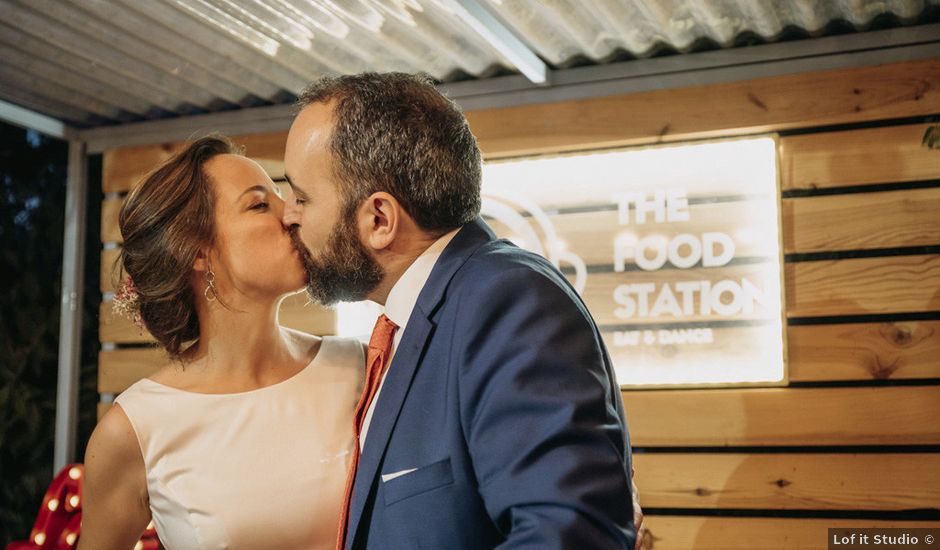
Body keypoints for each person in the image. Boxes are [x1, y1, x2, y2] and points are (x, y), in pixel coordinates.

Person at [283, 72, 641, 550]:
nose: (288, 214)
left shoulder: (507, 299)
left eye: (302, 196)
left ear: (379, 219)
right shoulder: (415, 320)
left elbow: (569, 534)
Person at [78, 136, 365, 549]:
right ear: (197, 252)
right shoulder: (135, 429)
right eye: (259, 204)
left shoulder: (356, 368)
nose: (291, 215)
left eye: (283, 197)